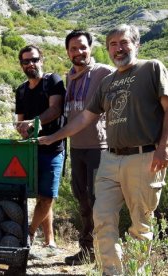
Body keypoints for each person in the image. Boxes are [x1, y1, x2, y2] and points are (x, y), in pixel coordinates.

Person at [39, 24, 168, 275]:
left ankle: (135, 272)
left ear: (136, 44)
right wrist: (54, 136)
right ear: (107, 48)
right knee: (102, 218)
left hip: (145, 157)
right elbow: (85, 118)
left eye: (124, 43)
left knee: (140, 225)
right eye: (113, 44)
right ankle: (112, 271)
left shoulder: (151, 68)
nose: (118, 49)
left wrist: (164, 147)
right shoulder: (108, 81)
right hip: (111, 157)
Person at [63, 30, 114, 265]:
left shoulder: (104, 72)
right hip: (77, 147)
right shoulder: (69, 76)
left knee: (98, 201)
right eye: (73, 48)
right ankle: (86, 251)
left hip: (99, 147)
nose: (78, 52)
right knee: (82, 199)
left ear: (90, 48)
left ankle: (103, 253)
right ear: (68, 52)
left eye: (83, 47)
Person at [15, 45, 66, 249]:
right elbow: (20, 121)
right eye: (26, 61)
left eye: (34, 60)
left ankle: (28, 233)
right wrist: (22, 129)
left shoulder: (53, 81)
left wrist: (33, 123)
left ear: (41, 60)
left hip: (53, 147)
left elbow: (55, 109)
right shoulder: (21, 90)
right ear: (21, 65)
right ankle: (50, 240)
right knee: (42, 196)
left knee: (47, 197)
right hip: (31, 150)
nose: (30, 64)